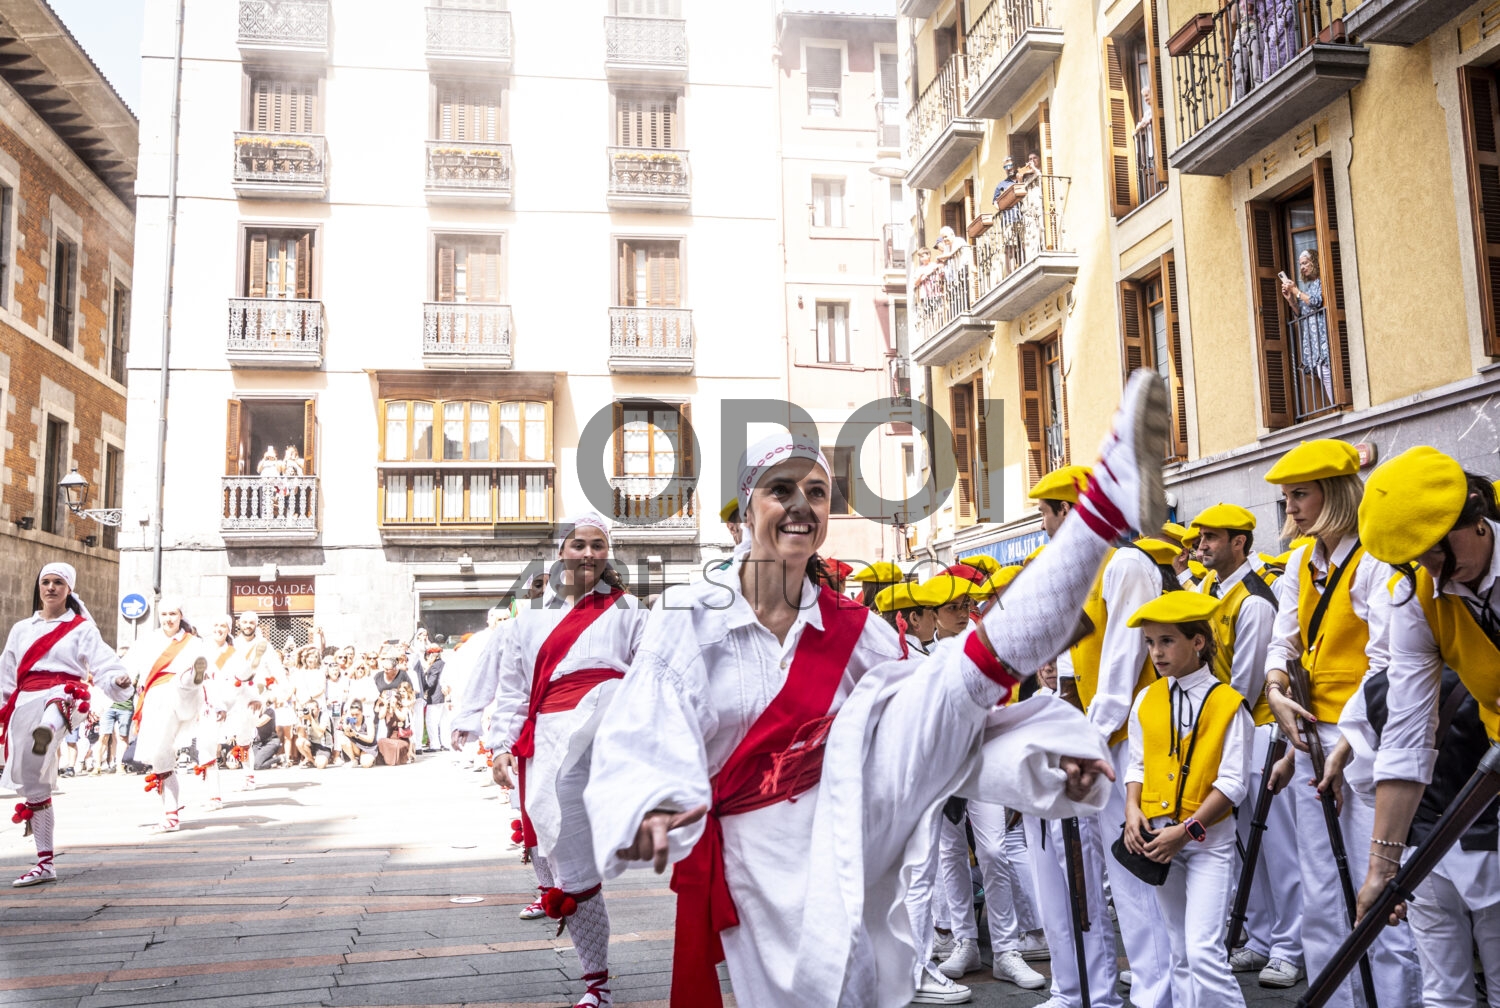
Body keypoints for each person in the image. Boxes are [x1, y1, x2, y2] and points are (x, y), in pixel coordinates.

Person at [586, 368, 1170, 1008]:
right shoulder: (690, 620)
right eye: (781, 490)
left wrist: (1046, 765)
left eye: (817, 492)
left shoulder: (859, 632)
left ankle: (1101, 510)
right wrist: (650, 805)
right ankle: (1101, 512)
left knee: (946, 682)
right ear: (745, 509)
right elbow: (643, 730)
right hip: (755, 857)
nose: (802, 505)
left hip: (848, 820)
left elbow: (937, 732)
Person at [1260, 438, 1422, 1008]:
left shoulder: (1376, 560)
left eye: (1300, 495)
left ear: (1333, 495)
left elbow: (1386, 663)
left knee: (1376, 887)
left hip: (1369, 740)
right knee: (1322, 891)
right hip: (1311, 738)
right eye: (1287, 498)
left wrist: (1348, 741)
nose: (1291, 508)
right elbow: (1283, 642)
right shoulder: (1299, 562)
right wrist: (1275, 692)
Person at [1350, 447, 1500, 1003]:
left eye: (1439, 547)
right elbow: (1409, 735)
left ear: (1475, 512)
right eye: (1418, 557)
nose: (1434, 567)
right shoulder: (1416, 594)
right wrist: (1382, 867)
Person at [1030, 462, 1175, 1008]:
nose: (1043, 525)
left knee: (1132, 875)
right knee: (1079, 871)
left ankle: (1156, 995)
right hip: (1088, 739)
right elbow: (1072, 670)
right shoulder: (1079, 572)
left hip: (1125, 744)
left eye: (1046, 514)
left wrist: (1086, 740)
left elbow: (1120, 666)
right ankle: (1087, 990)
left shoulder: (1126, 564)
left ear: (1069, 511)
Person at [490, 512, 648, 1008]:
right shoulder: (528, 620)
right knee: (570, 858)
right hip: (552, 743)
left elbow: (651, 679)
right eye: (578, 544)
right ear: (560, 551)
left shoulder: (631, 611)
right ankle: (596, 983)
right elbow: (513, 693)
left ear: (607, 553)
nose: (588, 553)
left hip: (612, 737)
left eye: (597, 545)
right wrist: (501, 746)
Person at [1188, 503, 1305, 987]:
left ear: (1239, 542)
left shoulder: (1254, 600)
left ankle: (1290, 946)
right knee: (1242, 844)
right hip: (1226, 734)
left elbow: (1245, 685)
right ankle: (1259, 938)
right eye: (1201, 537)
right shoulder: (1207, 591)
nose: (1202, 546)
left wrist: (1210, 734)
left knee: (1277, 846)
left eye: (1212, 537)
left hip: (1258, 735)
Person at [1123, 591, 1253, 1008]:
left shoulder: (1229, 703)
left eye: (1167, 641)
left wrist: (1186, 831)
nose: (1156, 652)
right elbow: (1137, 765)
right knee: (1178, 950)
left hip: (1206, 842)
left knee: (1203, 953)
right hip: (1159, 841)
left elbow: (1233, 784)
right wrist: (1131, 810)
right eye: (1150, 642)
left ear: (1198, 642)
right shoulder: (1147, 699)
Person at [0, 563, 130, 886]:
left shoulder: (81, 628)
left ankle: (48, 727)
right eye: (45, 581)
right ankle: (45, 864)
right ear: (39, 587)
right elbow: (6, 673)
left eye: (58, 582)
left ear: (69, 589)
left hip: (66, 693)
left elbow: (103, 661)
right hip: (26, 698)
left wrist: (117, 679)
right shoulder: (21, 629)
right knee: (33, 779)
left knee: (59, 700)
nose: (51, 587)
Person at [127, 600, 211, 833]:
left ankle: (191, 676)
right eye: (164, 614)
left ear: (181, 615)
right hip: (154, 700)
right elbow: (128, 667)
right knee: (160, 754)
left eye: (173, 613)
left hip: (182, 695)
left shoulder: (194, 642)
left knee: (183, 685)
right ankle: (170, 814)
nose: (168, 618)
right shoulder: (148, 640)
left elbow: (213, 673)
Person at [209, 616, 260, 793]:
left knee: (244, 741)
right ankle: (213, 792)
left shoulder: (235, 653)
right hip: (212, 702)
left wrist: (254, 697)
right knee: (209, 744)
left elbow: (247, 679)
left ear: (229, 629)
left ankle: (249, 777)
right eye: (216, 625)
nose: (219, 629)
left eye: (223, 626)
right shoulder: (202, 650)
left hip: (236, 701)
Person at [1281, 249, 1334, 407]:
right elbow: (1301, 313)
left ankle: (1338, 405)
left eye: (1305, 263)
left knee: (1327, 371)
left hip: (1324, 336)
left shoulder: (1323, 282)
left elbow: (1316, 302)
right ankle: (1335, 404)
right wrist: (1291, 300)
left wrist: (1296, 291)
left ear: (1314, 262)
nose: (1302, 267)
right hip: (1314, 341)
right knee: (1322, 372)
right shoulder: (1310, 287)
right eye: (1300, 265)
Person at [418, 645, 447, 753]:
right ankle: (445, 743)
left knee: (431, 722)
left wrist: (421, 687)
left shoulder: (434, 666)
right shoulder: (443, 664)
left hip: (434, 696)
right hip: (442, 697)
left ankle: (435, 745)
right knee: (443, 722)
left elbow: (430, 683)